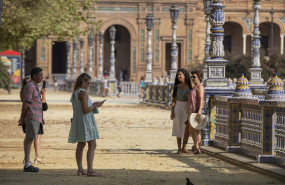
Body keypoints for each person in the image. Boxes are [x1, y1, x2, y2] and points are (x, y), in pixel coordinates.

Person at [68, 73, 104, 177]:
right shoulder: (83, 93)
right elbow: (85, 110)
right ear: (83, 81)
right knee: (92, 144)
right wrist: (95, 105)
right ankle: (90, 170)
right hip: (86, 121)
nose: (88, 85)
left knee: (81, 144)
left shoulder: (75, 93)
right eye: (88, 83)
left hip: (77, 121)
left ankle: (80, 169)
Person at [18, 66, 44, 172]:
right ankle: (27, 163)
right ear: (35, 76)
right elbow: (26, 103)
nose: (42, 77)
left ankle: (27, 163)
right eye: (40, 75)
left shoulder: (35, 86)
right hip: (32, 116)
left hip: (36, 117)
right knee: (29, 139)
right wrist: (22, 117)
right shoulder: (30, 86)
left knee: (31, 138)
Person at [170, 68, 192, 154]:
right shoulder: (176, 87)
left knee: (187, 127)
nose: (179, 76)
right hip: (178, 106)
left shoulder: (190, 86)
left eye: (180, 75)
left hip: (187, 107)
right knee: (178, 126)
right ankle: (179, 148)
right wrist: (172, 111)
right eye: (178, 75)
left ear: (185, 76)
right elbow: (173, 100)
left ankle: (184, 147)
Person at [188, 70, 204, 154]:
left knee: (197, 129)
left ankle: (197, 148)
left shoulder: (199, 87)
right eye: (192, 77)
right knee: (193, 129)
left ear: (199, 78)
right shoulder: (195, 86)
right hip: (192, 110)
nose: (192, 78)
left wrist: (200, 110)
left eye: (194, 77)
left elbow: (201, 99)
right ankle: (196, 147)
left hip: (196, 110)